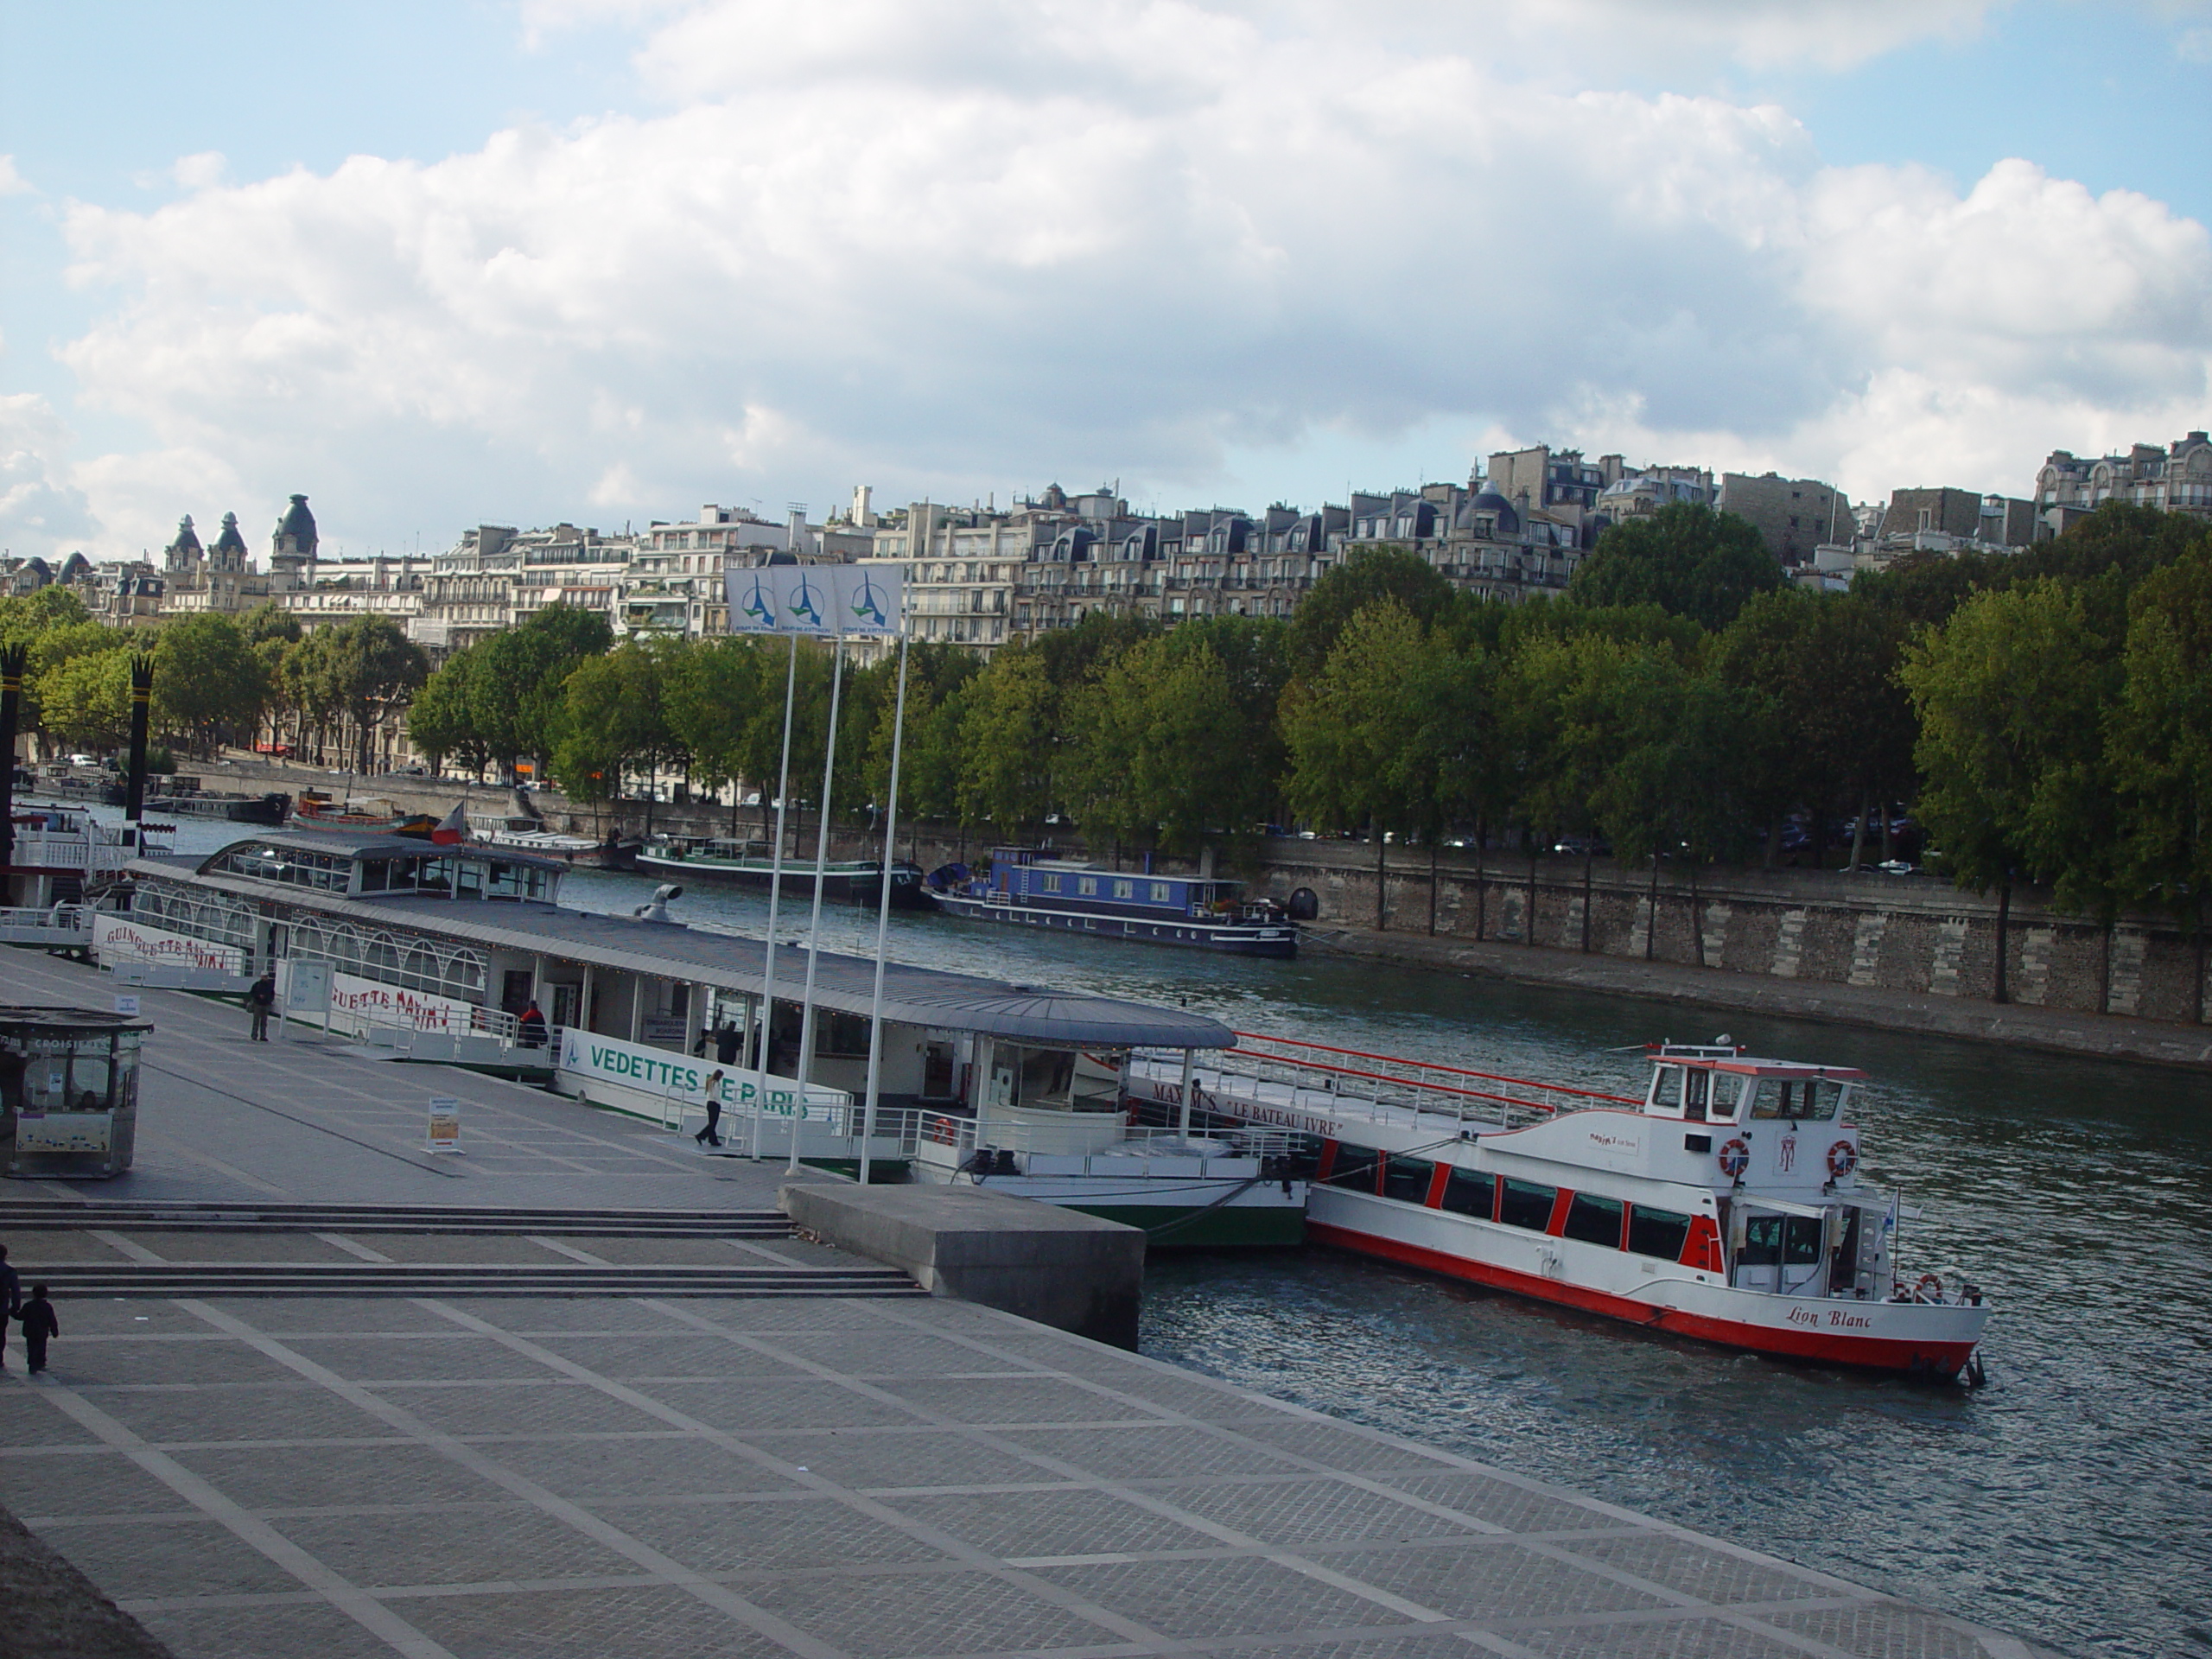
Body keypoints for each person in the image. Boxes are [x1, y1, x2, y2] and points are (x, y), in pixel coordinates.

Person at [16, 1286, 55, 1375]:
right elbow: (52, 1320)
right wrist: (54, 1331)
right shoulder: (47, 1306)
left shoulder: (29, 1305)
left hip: (30, 1332)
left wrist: (12, 1312)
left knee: (31, 1348)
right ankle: (40, 1362)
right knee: (41, 1347)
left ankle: (32, 1364)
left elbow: (20, 1316)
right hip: (42, 1332)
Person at [695, 1068, 726, 1148]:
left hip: (709, 1103)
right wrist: (719, 1103)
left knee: (711, 1122)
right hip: (714, 1103)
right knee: (713, 1123)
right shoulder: (716, 1083)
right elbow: (716, 1094)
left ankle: (713, 1140)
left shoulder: (709, 1082)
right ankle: (701, 1135)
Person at [0, 1245, 18, 1371]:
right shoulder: (10, 1271)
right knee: (1, 1334)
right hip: (2, 1309)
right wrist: (15, 1307)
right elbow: (16, 1290)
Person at [246, 970, 276, 1042]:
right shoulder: (257, 985)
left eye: (266, 976)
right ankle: (254, 1035)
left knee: (264, 1022)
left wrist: (268, 1000)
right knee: (256, 1021)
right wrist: (258, 996)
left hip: (265, 1005)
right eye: (264, 976)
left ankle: (263, 1036)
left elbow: (272, 994)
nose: (265, 978)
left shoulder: (269, 986)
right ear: (261, 976)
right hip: (258, 1004)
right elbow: (252, 993)